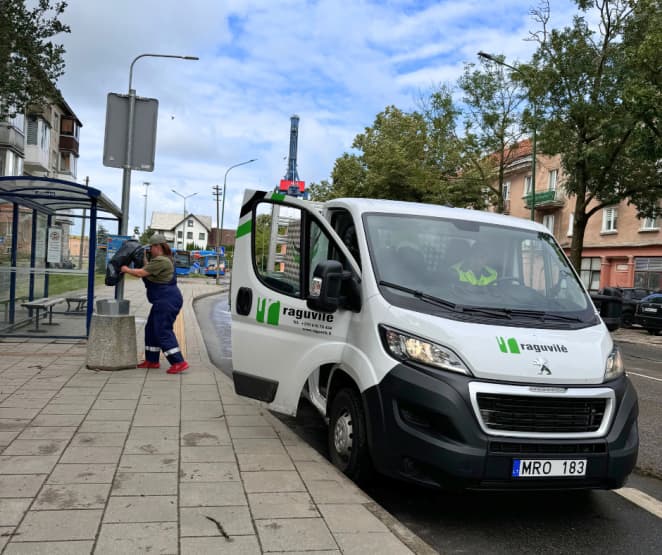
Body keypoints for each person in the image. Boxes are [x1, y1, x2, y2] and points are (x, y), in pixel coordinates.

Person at [120, 233, 189, 374]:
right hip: (162, 300)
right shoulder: (160, 260)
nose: (150, 250)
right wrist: (144, 259)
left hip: (167, 300)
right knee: (151, 328)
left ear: (158, 246)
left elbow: (141, 273)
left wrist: (125, 269)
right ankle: (152, 360)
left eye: (151, 247)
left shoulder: (162, 260)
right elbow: (149, 268)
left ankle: (178, 362)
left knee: (162, 330)